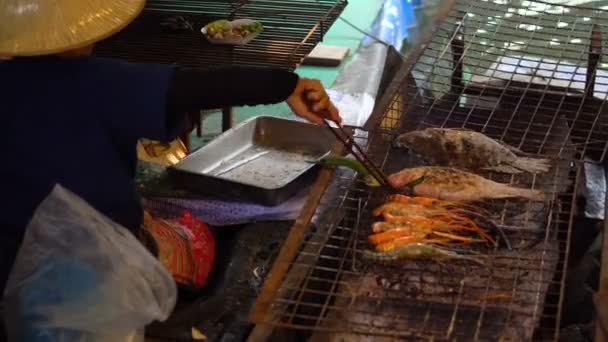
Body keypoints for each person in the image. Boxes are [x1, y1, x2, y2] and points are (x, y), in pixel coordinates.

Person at [0, 0, 341, 293]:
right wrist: (289, 84)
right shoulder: (96, 81)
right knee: (198, 249)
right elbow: (199, 88)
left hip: (9, 261)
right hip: (95, 258)